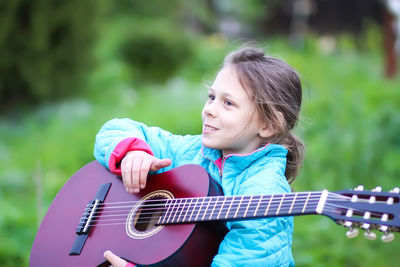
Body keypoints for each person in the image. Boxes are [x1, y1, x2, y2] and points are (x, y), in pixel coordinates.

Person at [94, 46, 305, 267]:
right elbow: (116, 128)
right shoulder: (191, 151)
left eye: (228, 103)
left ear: (268, 124)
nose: (210, 110)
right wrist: (133, 151)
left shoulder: (264, 194)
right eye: (212, 97)